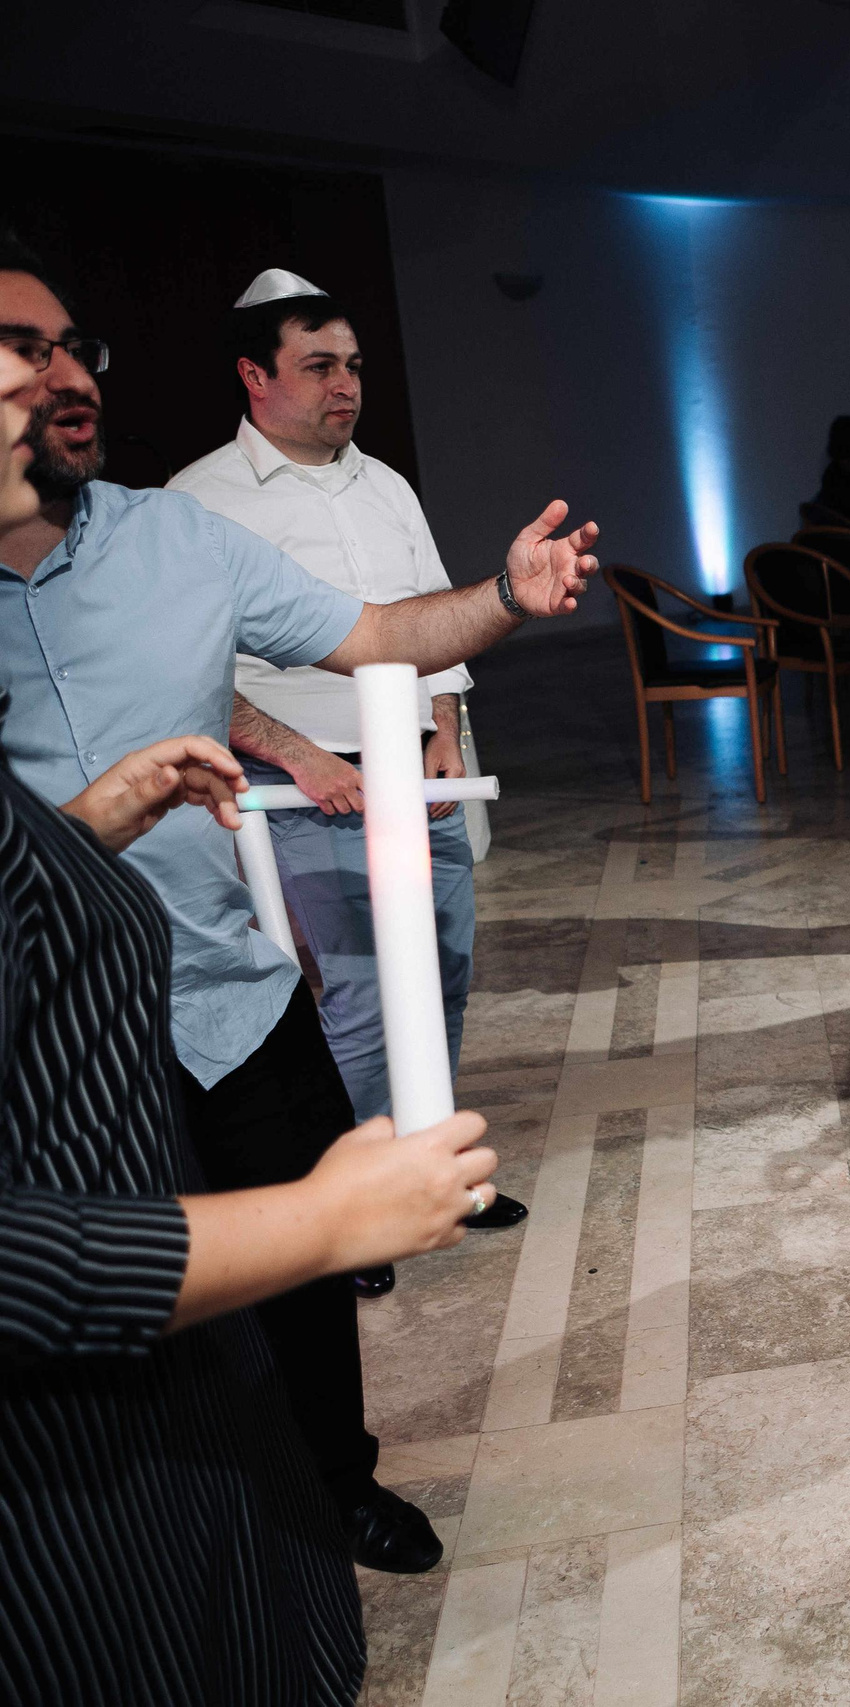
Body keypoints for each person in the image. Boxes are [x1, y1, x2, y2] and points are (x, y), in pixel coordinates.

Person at [0, 242, 598, 1575]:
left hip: (219, 988)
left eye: (72, 346)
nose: (65, 374)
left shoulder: (176, 536)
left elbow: (379, 631)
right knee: (111, 1307)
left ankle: (340, 1483)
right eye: (24, 349)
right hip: (41, 1033)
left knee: (313, 1283)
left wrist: (506, 595)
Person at [169, 269, 526, 1286]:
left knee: (443, 976)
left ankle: (440, 1173)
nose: (346, 386)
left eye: (354, 366)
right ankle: (359, 1208)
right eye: (319, 365)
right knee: (364, 999)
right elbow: (194, 670)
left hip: (417, 769)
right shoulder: (199, 501)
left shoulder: (386, 484)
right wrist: (297, 753)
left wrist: (446, 725)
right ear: (254, 375)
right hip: (305, 784)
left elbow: (430, 612)